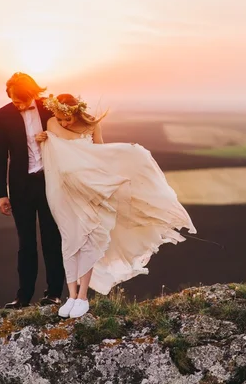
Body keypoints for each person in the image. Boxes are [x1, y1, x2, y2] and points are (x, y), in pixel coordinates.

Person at [35, 94, 196, 318]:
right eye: (60, 119)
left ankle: (82, 297)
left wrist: (125, 152)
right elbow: (67, 144)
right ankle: (71, 296)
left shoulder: (92, 124)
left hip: (90, 189)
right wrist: (48, 136)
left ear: (76, 112)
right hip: (64, 189)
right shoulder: (52, 123)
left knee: (89, 237)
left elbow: (99, 152)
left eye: (67, 119)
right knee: (69, 239)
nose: (62, 123)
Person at [0, 73, 65, 309]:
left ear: (32, 94)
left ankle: (54, 294)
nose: (19, 106)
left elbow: (71, 135)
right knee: (26, 243)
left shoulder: (50, 108)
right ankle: (23, 297)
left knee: (52, 239)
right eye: (14, 102)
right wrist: (1, 193)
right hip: (20, 187)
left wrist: (51, 137)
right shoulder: (1, 115)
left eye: (22, 102)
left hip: (50, 183)